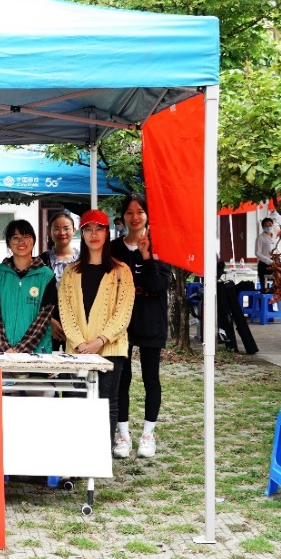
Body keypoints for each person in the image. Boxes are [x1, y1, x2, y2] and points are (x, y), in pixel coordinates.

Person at [58, 209, 135, 449]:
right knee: (75, 398)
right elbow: (65, 310)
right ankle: (77, 451)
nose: (94, 234)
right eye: (88, 229)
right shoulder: (71, 272)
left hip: (110, 348)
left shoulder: (121, 271)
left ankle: (102, 454)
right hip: (77, 348)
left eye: (99, 229)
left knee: (106, 401)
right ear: (81, 234)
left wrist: (100, 341)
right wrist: (80, 343)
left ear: (107, 233)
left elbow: (123, 311)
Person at [110, 193, 170, 458]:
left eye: (140, 212)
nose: (135, 217)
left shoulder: (160, 248)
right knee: (121, 379)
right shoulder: (113, 249)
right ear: (123, 216)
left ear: (147, 215)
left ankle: (148, 435)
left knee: (151, 379)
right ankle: (123, 435)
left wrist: (146, 257)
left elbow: (158, 286)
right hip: (120, 323)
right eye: (129, 212)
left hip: (151, 320)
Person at [0, 219, 57, 355]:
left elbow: (44, 318)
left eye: (26, 236)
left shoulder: (46, 275)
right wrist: (5, 348)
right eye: (15, 238)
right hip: (0, 353)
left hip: (35, 352)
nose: (21, 242)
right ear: (8, 242)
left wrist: (20, 350)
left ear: (34, 240)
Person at [39, 210, 79, 353]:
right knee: (47, 362)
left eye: (66, 228)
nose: (62, 232)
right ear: (49, 232)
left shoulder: (83, 260)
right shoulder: (41, 261)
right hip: (48, 322)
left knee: (76, 364)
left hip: (77, 324)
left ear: (74, 230)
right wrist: (48, 320)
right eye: (56, 228)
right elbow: (35, 295)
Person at [255, 217, 278, 289]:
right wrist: (269, 261)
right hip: (264, 265)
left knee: (277, 286)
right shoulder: (260, 237)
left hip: (275, 264)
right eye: (266, 226)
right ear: (263, 227)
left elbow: (278, 250)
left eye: (270, 225)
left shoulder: (275, 237)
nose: (269, 227)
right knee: (265, 288)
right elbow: (258, 253)